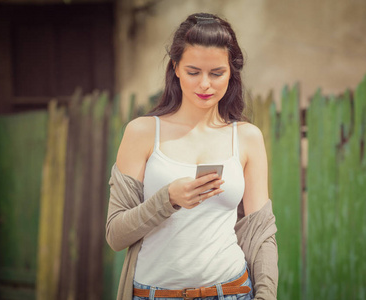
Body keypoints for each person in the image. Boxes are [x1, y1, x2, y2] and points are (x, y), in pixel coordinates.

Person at [106, 12, 278, 300]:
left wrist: (266, 295)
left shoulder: (247, 137)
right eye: (193, 71)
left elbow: (261, 236)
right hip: (153, 295)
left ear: (231, 72)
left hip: (232, 291)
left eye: (216, 73)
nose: (205, 85)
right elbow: (116, 235)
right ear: (175, 68)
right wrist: (168, 199)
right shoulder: (143, 132)